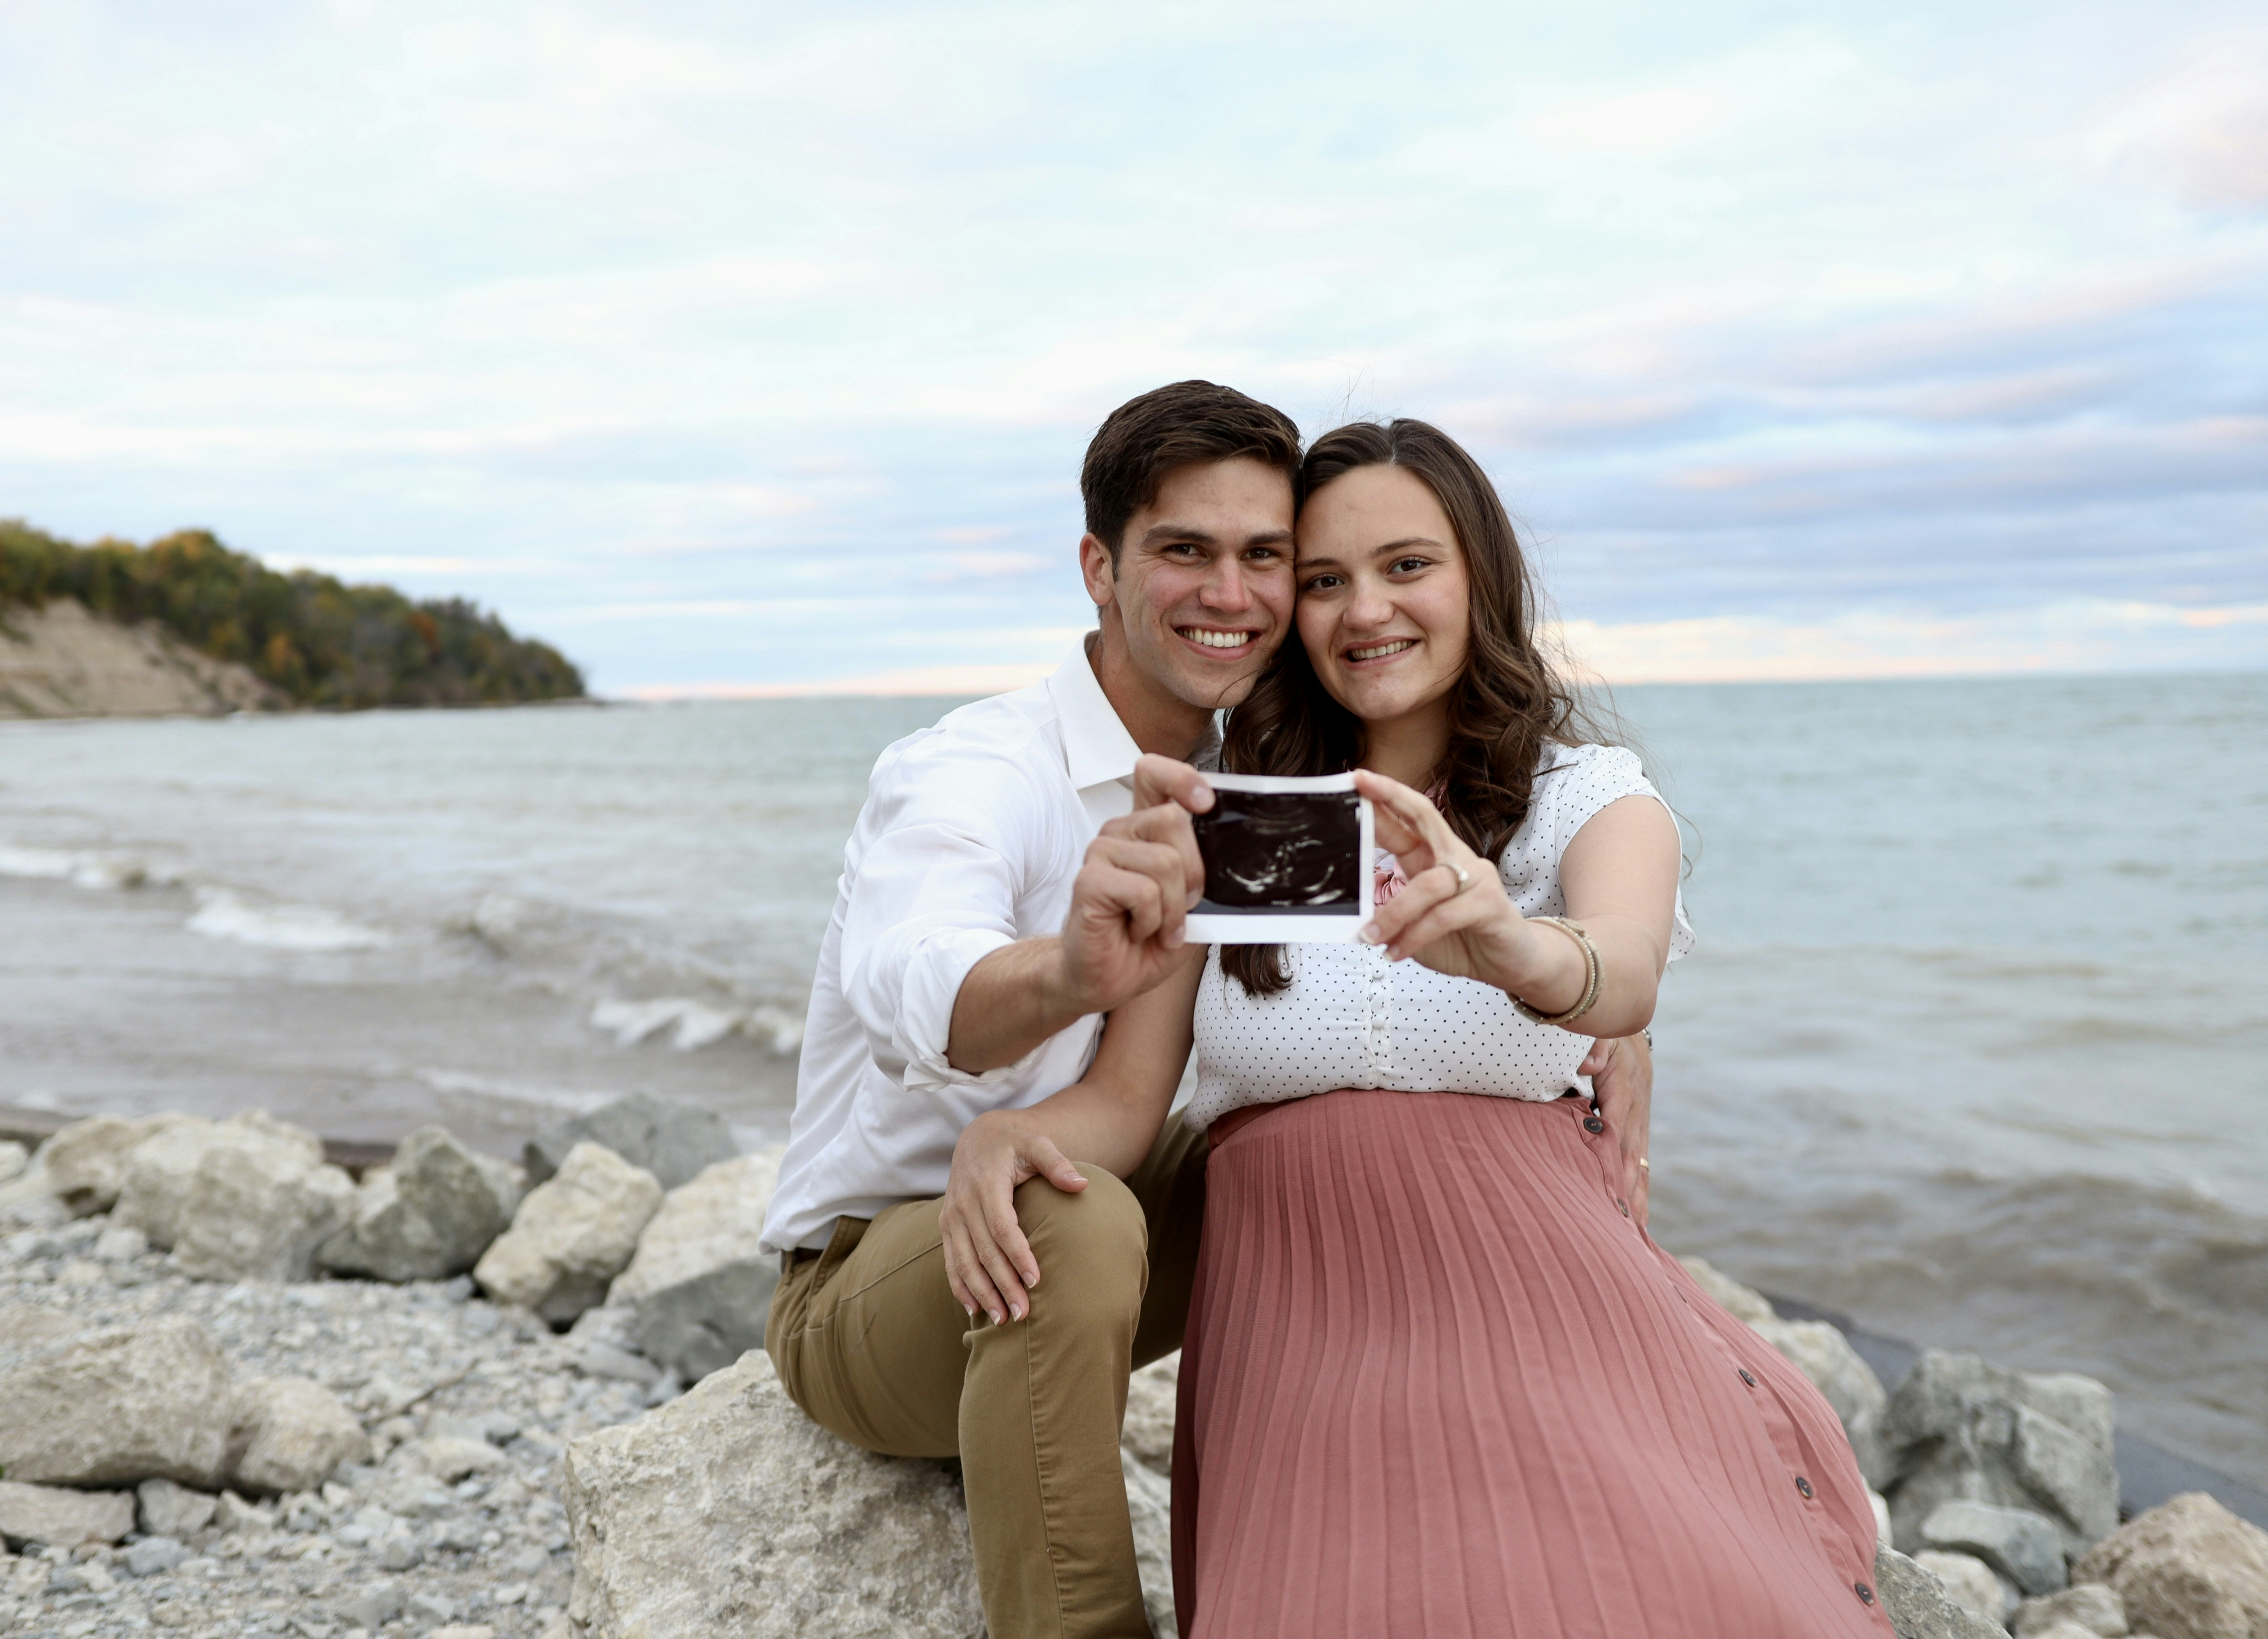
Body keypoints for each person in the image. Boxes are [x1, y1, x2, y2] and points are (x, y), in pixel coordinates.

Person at [945, 418, 1886, 1638]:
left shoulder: (1578, 799)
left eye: (1406, 566)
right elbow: (1128, 1103)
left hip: (1548, 1303)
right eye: (1325, 580)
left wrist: (1511, 948)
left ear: (1479, 578)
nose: (1362, 611)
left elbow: (1623, 972)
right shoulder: (1243, 815)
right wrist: (1004, 1137)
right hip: (1303, 1331)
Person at [760, 384, 1656, 1639]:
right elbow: (925, 985)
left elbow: (1366, 1006)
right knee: (1067, 1221)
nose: (1230, 596)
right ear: (1099, 566)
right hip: (880, 1282)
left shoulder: (1251, 790)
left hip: (1088, 1177)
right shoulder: (974, 770)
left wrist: (1595, 1009)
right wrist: (1069, 975)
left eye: (1266, 559)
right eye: (1185, 551)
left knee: (1305, 1154)